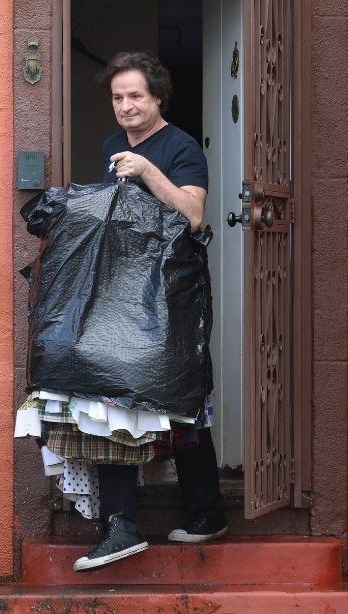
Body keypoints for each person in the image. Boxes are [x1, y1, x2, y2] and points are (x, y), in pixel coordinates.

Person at [73, 51, 227, 572]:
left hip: (175, 288)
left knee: (181, 401)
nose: (125, 106)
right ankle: (120, 525)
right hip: (124, 290)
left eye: (135, 95)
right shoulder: (111, 146)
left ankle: (207, 513)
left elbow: (192, 213)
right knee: (115, 396)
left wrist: (146, 170)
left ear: (157, 96)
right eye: (117, 97)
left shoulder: (180, 146)